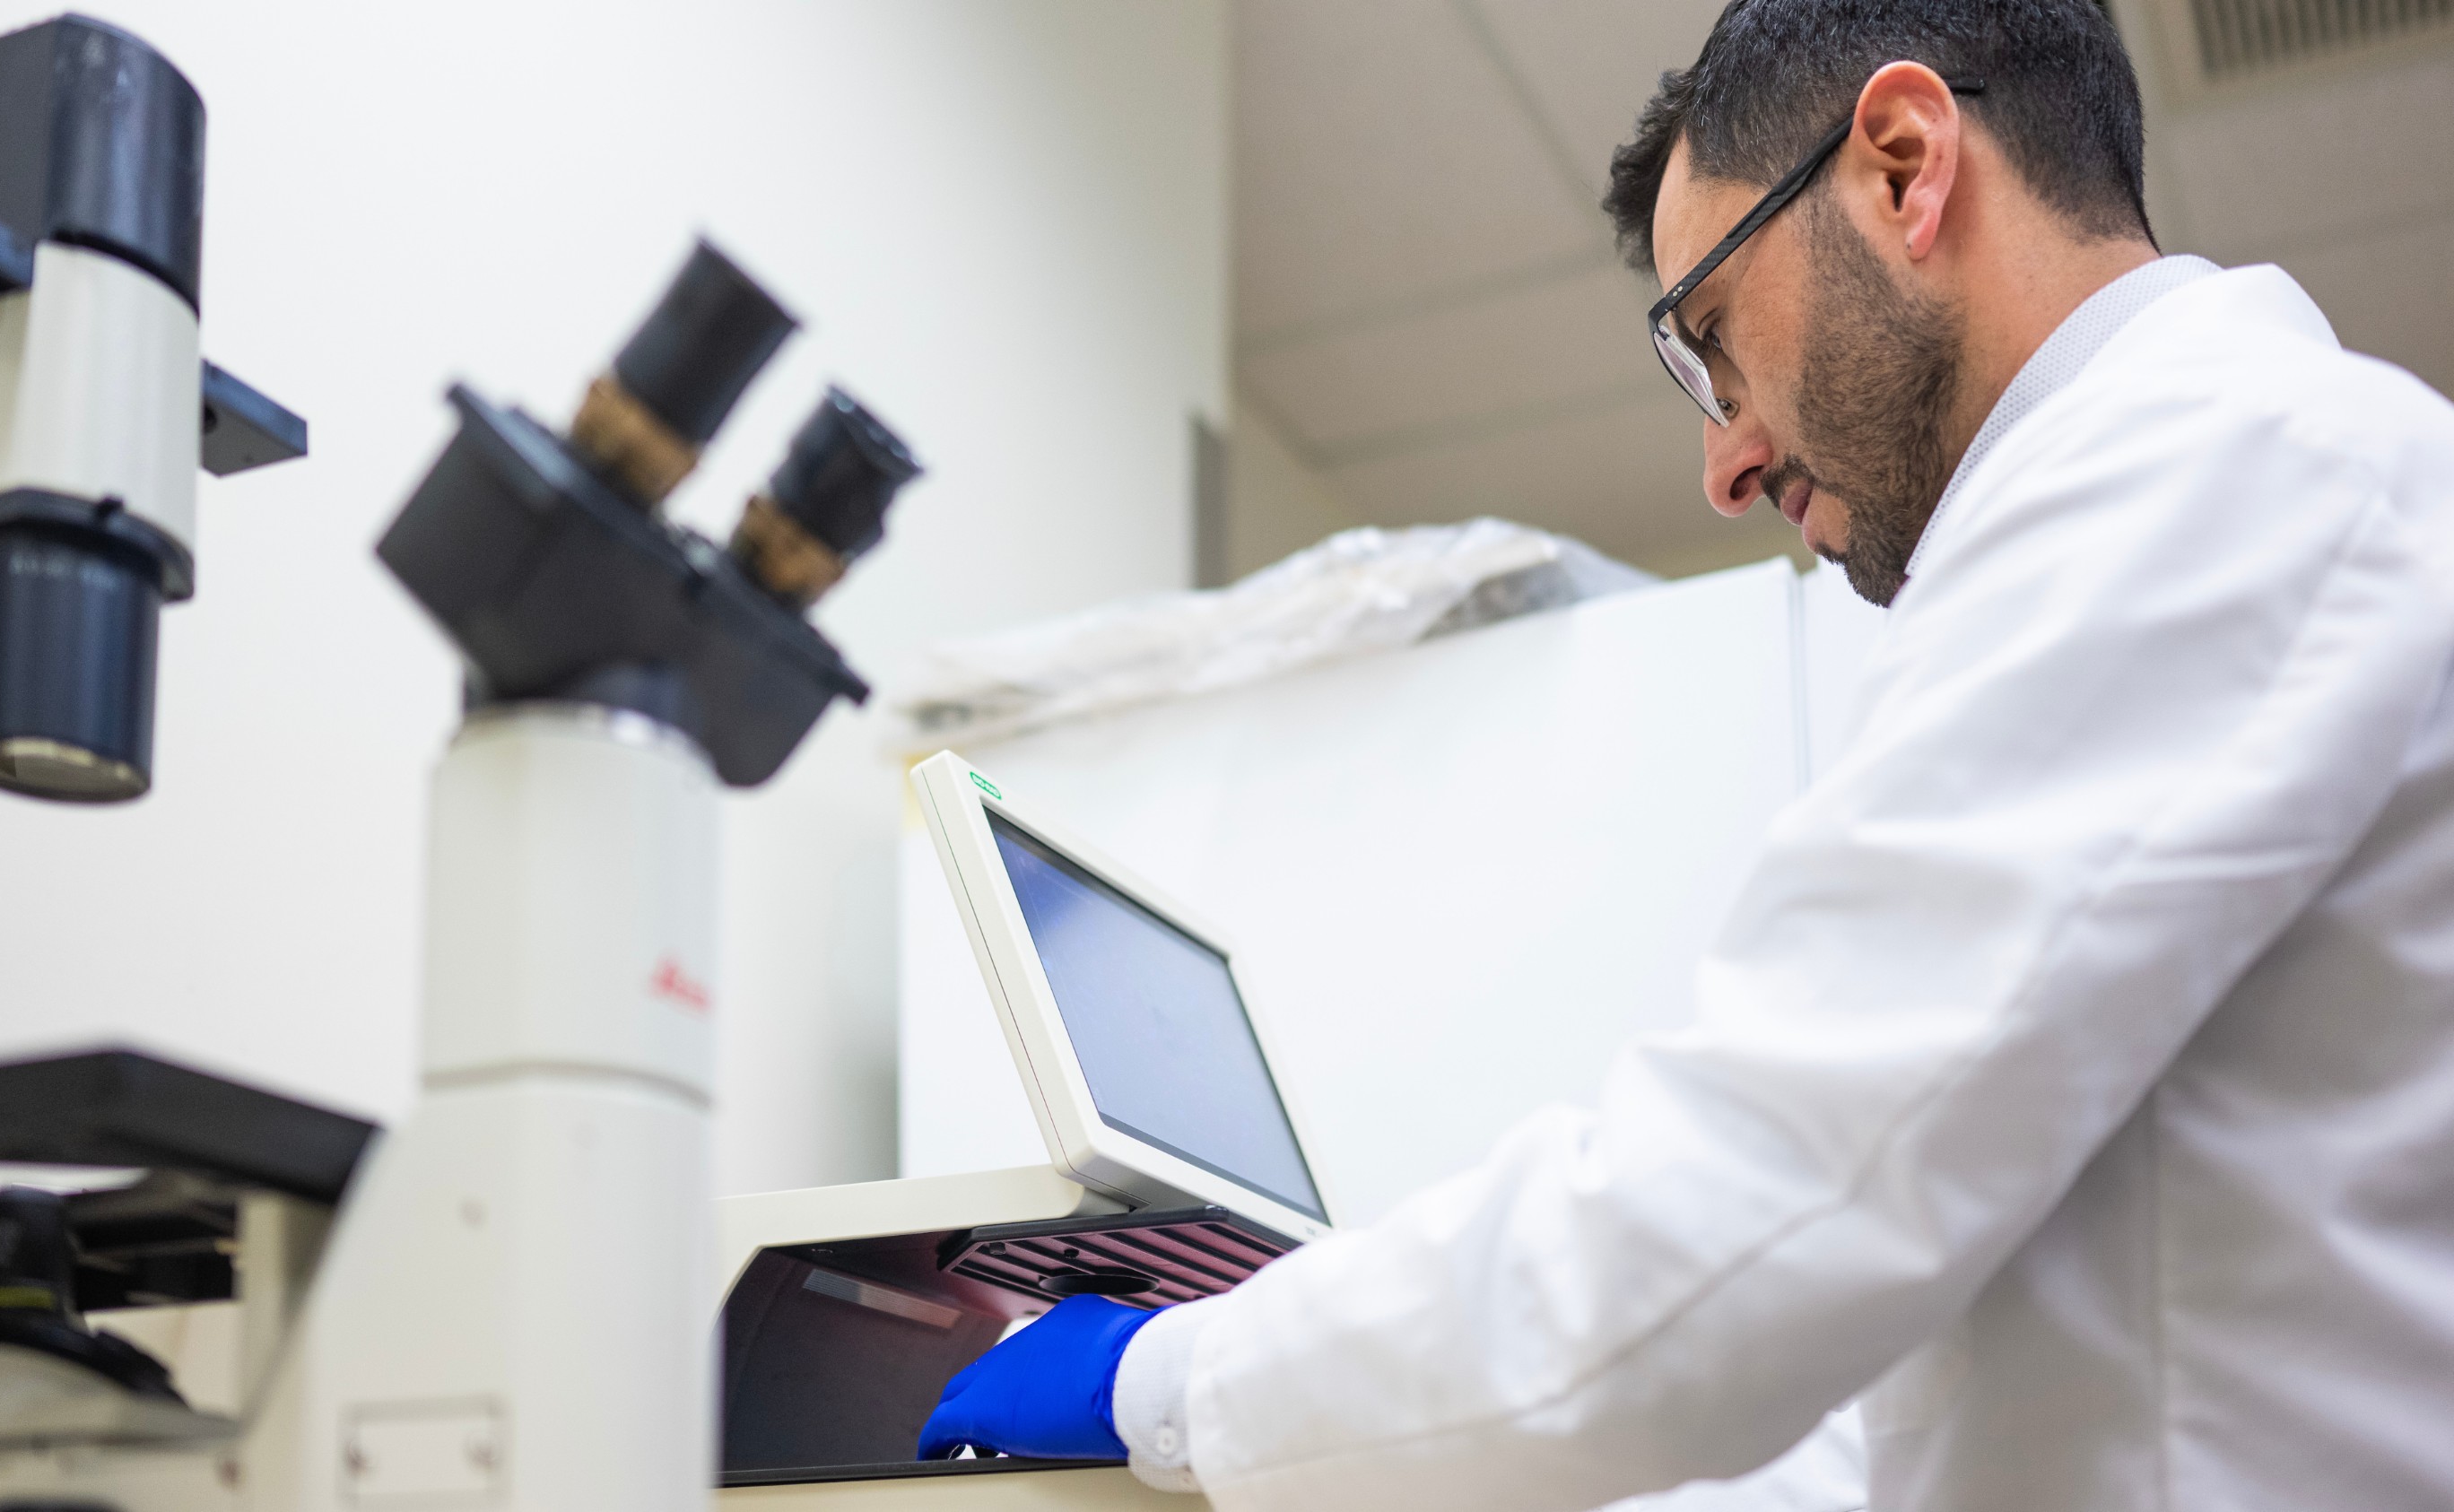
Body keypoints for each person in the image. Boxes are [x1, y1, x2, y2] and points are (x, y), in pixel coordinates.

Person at [916, 0, 2454, 1506]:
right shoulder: (2228, 485)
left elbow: (1734, 1227)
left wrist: (1167, 1380)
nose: (1725, 461)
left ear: (1908, 165)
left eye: (1712, 337)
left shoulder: (2200, 480)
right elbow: (1920, 1394)